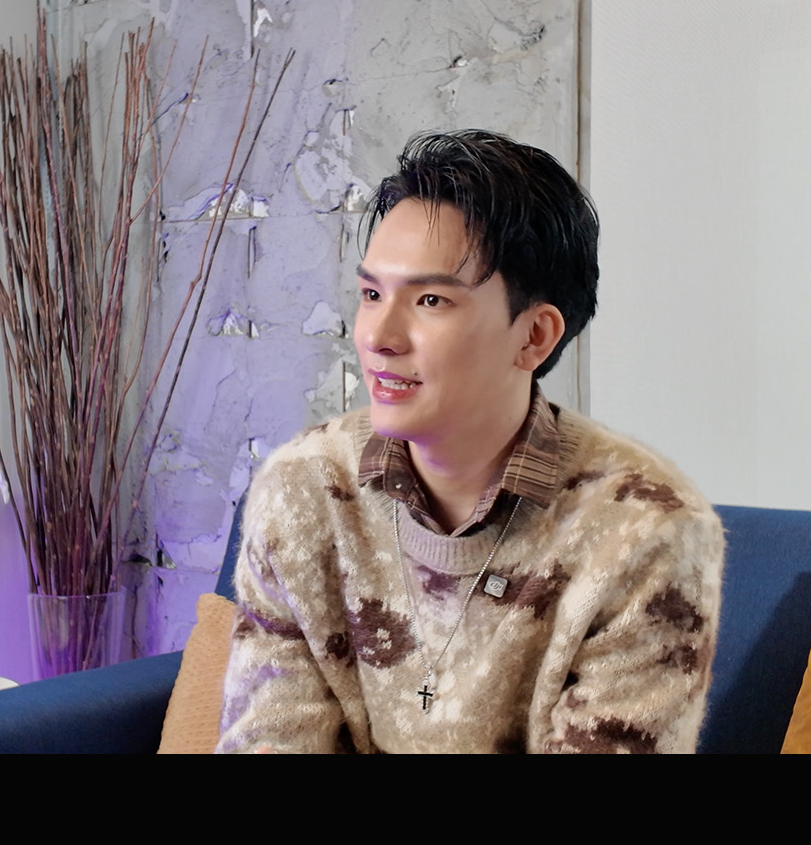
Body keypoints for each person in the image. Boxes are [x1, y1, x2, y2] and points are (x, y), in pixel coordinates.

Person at [216, 130, 723, 754]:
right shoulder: (305, 489)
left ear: (534, 337)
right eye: (372, 294)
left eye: (430, 299)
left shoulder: (647, 531)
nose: (378, 336)